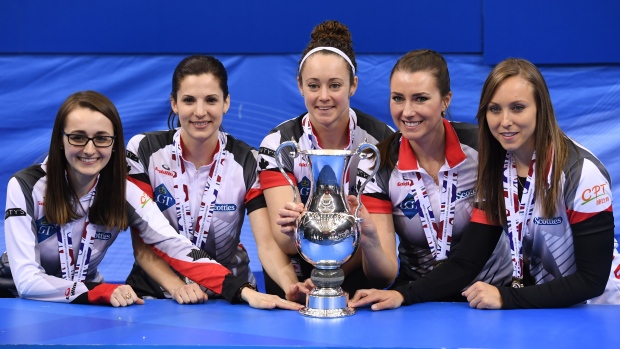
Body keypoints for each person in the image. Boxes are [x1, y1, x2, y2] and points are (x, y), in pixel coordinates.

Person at [3, 90, 300, 309]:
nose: (90, 149)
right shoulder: (25, 186)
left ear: (115, 144)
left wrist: (242, 291)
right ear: (60, 140)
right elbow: (27, 281)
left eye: (102, 138)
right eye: (78, 137)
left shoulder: (124, 191)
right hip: (17, 301)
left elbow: (175, 245)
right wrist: (99, 291)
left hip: (84, 302)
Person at [123, 55, 301, 310]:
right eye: (188, 100)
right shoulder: (143, 150)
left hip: (231, 297)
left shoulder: (248, 160)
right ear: (174, 103)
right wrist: (177, 287)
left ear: (226, 102)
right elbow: (144, 244)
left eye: (211, 100)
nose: (200, 112)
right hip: (156, 295)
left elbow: (267, 244)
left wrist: (290, 286)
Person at [345, 49, 512, 311]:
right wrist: (370, 241)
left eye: (420, 99)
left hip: (486, 297)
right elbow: (384, 275)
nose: (407, 111)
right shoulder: (377, 163)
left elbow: (472, 257)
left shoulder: (483, 149)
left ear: (446, 100)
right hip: (419, 302)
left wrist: (405, 295)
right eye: (398, 98)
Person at [460, 58, 620, 308]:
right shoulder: (498, 169)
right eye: (494, 109)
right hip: (549, 308)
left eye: (517, 107)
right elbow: (467, 261)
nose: (504, 121)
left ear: (540, 109)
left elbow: (592, 281)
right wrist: (405, 295)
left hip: (603, 309)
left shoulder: (582, 172)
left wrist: (505, 297)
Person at [257, 20, 394, 302]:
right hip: (294, 280)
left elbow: (375, 240)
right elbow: (285, 242)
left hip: (356, 279)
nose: (323, 97)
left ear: (353, 85)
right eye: (313, 85)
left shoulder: (381, 141)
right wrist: (290, 225)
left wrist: (328, 277)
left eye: (335, 85)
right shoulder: (277, 143)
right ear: (299, 86)